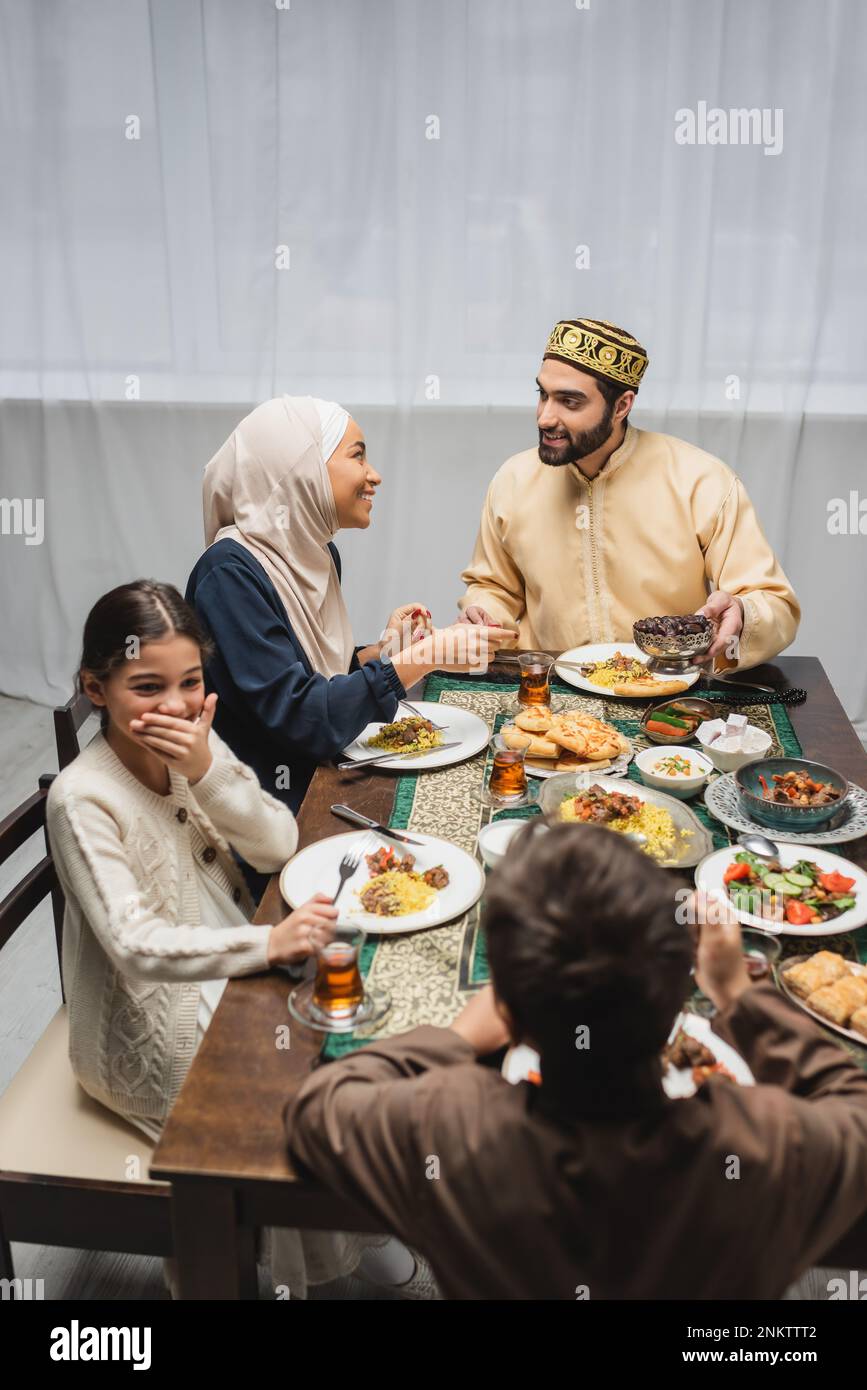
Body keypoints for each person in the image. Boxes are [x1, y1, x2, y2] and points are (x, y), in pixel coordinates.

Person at [285, 821, 867, 1300]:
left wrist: (460, 1037)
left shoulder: (451, 1130)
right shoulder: (763, 1147)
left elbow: (317, 1107)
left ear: (509, 1007)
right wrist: (741, 995)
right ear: (677, 999)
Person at [46, 580, 430, 1298]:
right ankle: (228, 1261)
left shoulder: (189, 744)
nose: (176, 705)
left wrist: (206, 769)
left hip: (227, 961)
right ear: (95, 689)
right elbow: (134, 946)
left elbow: (280, 841)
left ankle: (334, 1231)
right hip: (146, 1018)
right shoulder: (81, 798)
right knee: (279, 1102)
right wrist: (269, 946)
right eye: (146, 687)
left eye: (191, 682)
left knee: (355, 1018)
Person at [187, 395, 514, 822]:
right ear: (299, 470)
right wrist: (423, 659)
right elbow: (307, 720)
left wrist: (382, 654)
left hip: (325, 774)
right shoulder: (228, 576)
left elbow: (315, 677)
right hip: (273, 808)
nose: (373, 475)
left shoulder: (315, 554)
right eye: (358, 456)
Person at [458, 318, 800, 671]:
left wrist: (743, 612)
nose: (545, 417)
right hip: (551, 691)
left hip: (668, 687)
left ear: (622, 406)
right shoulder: (514, 480)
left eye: (569, 402)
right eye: (543, 394)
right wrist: (485, 614)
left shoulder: (700, 480)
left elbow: (774, 604)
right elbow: (494, 586)